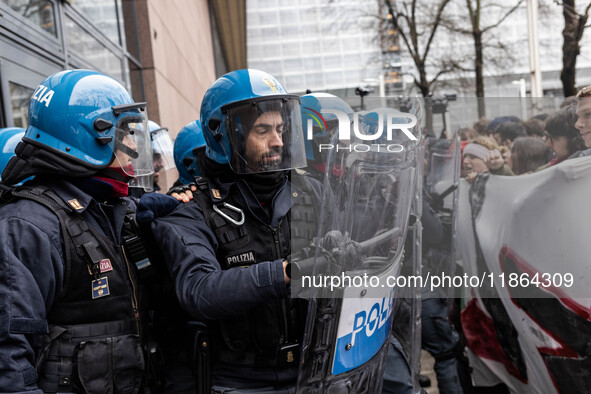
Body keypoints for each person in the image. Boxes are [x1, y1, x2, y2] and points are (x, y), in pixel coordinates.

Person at [142, 69, 322, 392]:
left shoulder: (310, 192)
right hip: (241, 382)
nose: (278, 141)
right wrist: (284, 273)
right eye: (263, 130)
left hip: (314, 372)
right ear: (225, 135)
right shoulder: (190, 209)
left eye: (281, 128)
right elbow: (200, 290)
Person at [0, 69, 156, 393]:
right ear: (90, 134)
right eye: (123, 132)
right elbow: (9, 360)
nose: (132, 146)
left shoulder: (109, 208)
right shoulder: (29, 226)